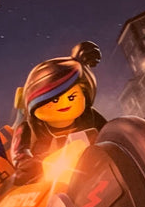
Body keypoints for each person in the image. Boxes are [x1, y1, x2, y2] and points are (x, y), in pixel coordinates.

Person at [11, 41, 106, 184]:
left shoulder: (90, 117)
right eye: (54, 100)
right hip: (50, 181)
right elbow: (20, 156)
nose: (64, 104)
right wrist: (30, 164)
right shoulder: (29, 129)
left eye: (72, 97)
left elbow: (110, 132)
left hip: (97, 168)